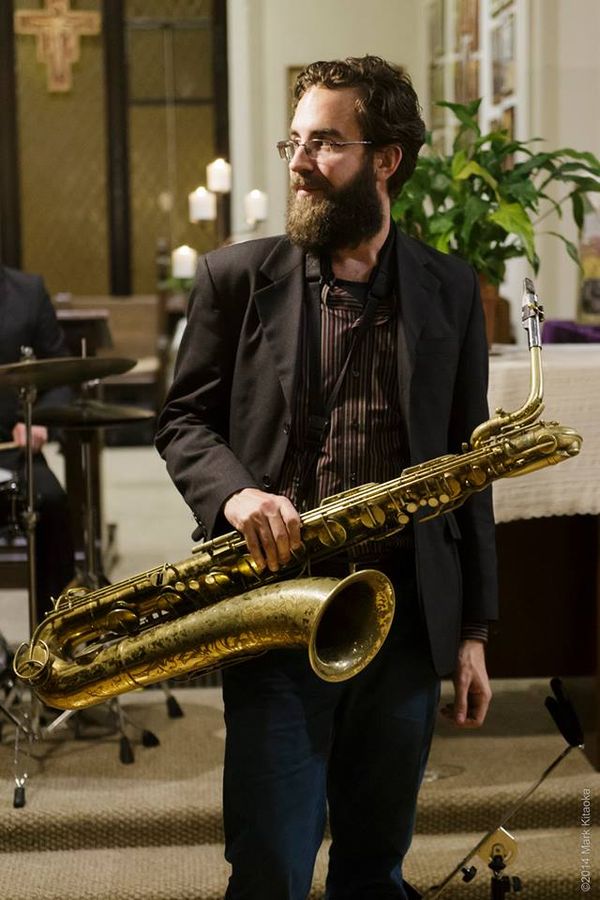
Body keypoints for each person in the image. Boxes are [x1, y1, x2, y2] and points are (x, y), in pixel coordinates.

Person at [156, 55, 497, 900]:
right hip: (277, 606)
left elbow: (468, 470)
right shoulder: (235, 279)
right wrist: (236, 494)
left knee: (375, 865)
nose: (300, 162)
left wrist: (474, 631)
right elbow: (182, 422)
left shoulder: (453, 289)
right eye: (295, 141)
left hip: (404, 616)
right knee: (270, 865)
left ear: (387, 159)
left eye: (325, 143)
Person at [0, 264, 75, 626]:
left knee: (53, 502)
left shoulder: (28, 292)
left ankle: (52, 630)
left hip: (13, 449)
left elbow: (60, 375)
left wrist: (39, 420)